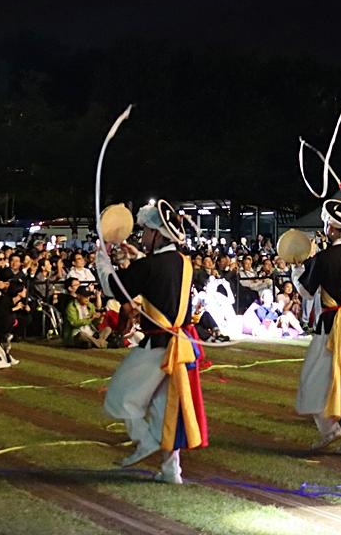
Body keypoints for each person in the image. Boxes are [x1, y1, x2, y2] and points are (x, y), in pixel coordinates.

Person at [103, 201, 208, 484]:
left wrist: (103, 262)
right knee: (165, 406)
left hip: (158, 345)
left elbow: (114, 288)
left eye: (147, 232)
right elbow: (159, 280)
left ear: (158, 235)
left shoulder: (151, 265)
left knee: (120, 396)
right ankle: (171, 469)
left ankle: (145, 440)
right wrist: (139, 259)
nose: (143, 236)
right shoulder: (183, 261)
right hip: (180, 343)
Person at [294, 194, 341, 455]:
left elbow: (305, 292)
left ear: (331, 227)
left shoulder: (323, 258)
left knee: (312, 379)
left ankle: (329, 429)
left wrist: (296, 271)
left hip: (330, 325)